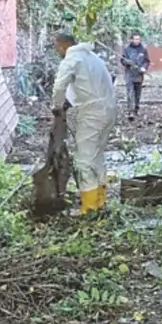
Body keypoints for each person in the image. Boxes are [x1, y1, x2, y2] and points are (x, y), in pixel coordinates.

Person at [51, 32, 117, 214]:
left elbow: (59, 86)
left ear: (62, 45)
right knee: (97, 156)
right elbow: (89, 85)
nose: (57, 51)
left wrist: (57, 106)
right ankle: (100, 201)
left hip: (92, 114)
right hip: (109, 110)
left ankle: (88, 208)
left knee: (83, 161)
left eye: (56, 47)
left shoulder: (71, 59)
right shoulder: (93, 58)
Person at [122, 33, 151, 120]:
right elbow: (122, 60)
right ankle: (130, 111)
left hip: (139, 74)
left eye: (138, 39)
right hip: (129, 73)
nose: (137, 41)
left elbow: (147, 61)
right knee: (130, 92)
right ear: (132, 39)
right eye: (135, 39)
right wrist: (127, 62)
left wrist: (144, 67)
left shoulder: (143, 49)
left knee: (137, 93)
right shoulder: (127, 49)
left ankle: (136, 109)